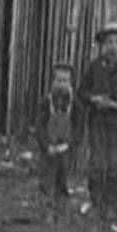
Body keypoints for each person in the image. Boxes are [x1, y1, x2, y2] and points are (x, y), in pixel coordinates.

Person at [78, 23, 117, 219]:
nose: (113, 46)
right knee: (97, 163)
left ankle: (112, 204)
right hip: (97, 121)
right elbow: (82, 91)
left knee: (115, 164)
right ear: (103, 45)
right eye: (109, 42)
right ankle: (97, 203)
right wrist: (93, 99)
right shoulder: (95, 66)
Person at [35, 62, 84, 221]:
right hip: (49, 148)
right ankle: (47, 211)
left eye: (66, 81)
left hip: (66, 148)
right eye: (59, 80)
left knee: (63, 180)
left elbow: (79, 126)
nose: (62, 84)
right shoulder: (46, 103)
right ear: (52, 82)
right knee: (47, 180)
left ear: (71, 83)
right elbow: (40, 126)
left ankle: (62, 210)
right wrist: (46, 144)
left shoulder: (75, 105)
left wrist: (72, 143)